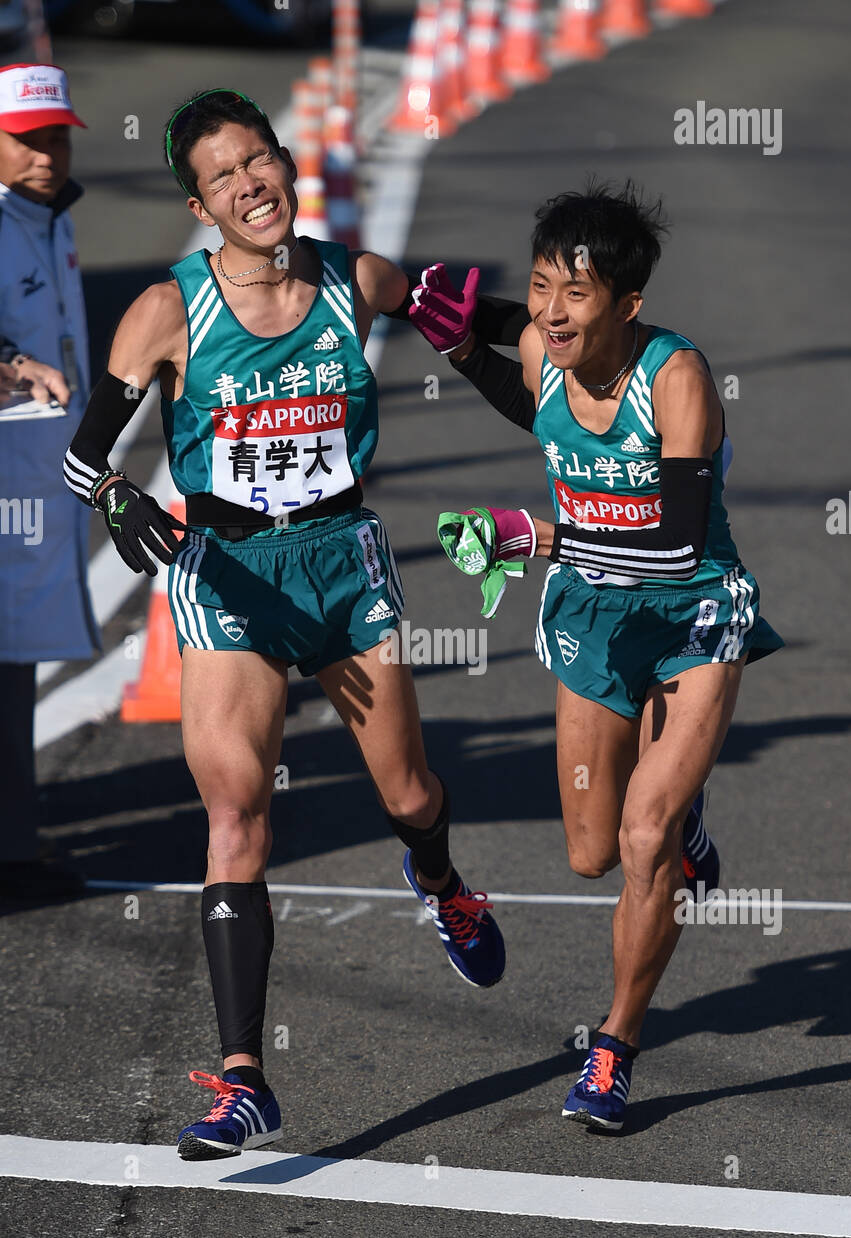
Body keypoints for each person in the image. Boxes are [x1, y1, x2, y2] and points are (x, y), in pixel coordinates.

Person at [62, 88, 511, 1161]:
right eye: (223, 176)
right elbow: (85, 455)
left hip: (340, 565)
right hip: (227, 575)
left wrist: (546, 372)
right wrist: (122, 500)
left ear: (286, 166)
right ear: (198, 203)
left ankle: (441, 885)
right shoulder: (168, 310)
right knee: (235, 819)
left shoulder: (354, 280)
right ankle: (244, 1080)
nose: (249, 184)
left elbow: (471, 333)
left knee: (407, 791)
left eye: (259, 160)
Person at [410, 182, 783, 1131]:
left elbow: (678, 543)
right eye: (540, 289)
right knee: (587, 852)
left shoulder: (679, 379)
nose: (549, 312)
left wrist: (538, 536)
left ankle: (613, 1052)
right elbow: (530, 396)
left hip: (692, 611)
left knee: (642, 839)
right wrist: (458, 341)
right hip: (593, 612)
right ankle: (686, 814)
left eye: (576, 294)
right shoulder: (542, 344)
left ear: (628, 305)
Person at [0, 62, 97, 900]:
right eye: (26, 139)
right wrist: (10, 363)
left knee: (17, 662)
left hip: (38, 486)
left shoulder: (51, 218)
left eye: (55, 136)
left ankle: (19, 842)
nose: (45, 154)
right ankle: (14, 854)